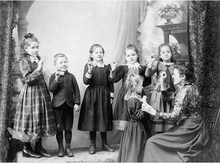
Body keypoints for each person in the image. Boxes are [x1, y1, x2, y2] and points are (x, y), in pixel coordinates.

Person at [141, 64, 210, 162]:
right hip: (196, 126)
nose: (172, 76)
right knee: (155, 141)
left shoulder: (185, 90)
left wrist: (153, 112)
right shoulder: (191, 86)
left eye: (174, 74)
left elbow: (175, 115)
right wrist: (162, 82)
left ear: (183, 77)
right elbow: (170, 98)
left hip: (190, 130)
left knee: (152, 142)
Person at [13, 33, 56, 158]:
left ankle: (38, 146)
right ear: (26, 49)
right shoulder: (24, 61)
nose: (36, 50)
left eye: (37, 47)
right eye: (33, 47)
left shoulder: (38, 58)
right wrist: (38, 70)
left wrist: (40, 67)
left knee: (41, 117)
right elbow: (28, 79)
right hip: (30, 95)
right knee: (29, 120)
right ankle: (26, 148)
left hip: (41, 92)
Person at [78, 44, 114, 155]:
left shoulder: (107, 67)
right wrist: (89, 71)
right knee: (92, 119)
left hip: (104, 95)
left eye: (101, 52)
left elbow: (110, 82)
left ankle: (104, 143)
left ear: (103, 54)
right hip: (92, 95)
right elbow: (85, 81)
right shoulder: (89, 65)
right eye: (96, 52)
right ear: (91, 54)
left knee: (103, 118)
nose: (99, 54)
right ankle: (92, 144)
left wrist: (111, 95)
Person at [110, 44, 151, 131]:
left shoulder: (142, 68)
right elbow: (113, 79)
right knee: (125, 114)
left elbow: (147, 81)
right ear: (125, 57)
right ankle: (127, 137)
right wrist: (113, 69)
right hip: (126, 95)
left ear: (137, 55)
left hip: (138, 94)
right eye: (128, 55)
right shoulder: (123, 68)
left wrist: (148, 70)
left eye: (133, 55)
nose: (131, 57)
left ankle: (137, 136)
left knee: (138, 115)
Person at [49, 53, 80, 157]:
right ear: (55, 65)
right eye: (60, 62)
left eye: (65, 62)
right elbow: (52, 89)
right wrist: (57, 79)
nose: (63, 64)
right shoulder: (54, 76)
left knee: (68, 128)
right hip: (57, 107)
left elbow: (76, 91)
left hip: (69, 106)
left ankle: (68, 147)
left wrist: (76, 103)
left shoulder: (71, 77)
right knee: (59, 128)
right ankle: (60, 148)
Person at [117, 74, 150, 162]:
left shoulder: (136, 98)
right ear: (135, 86)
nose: (142, 88)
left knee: (137, 150)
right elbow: (139, 116)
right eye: (141, 85)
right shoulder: (133, 100)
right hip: (136, 129)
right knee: (135, 151)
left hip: (135, 127)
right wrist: (144, 104)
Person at [145, 43, 176, 133]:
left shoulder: (175, 65)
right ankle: (159, 136)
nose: (166, 54)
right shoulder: (158, 64)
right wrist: (150, 64)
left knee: (169, 114)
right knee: (159, 113)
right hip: (159, 94)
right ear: (160, 55)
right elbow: (148, 74)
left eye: (168, 52)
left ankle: (168, 136)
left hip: (171, 93)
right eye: (163, 52)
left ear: (171, 53)